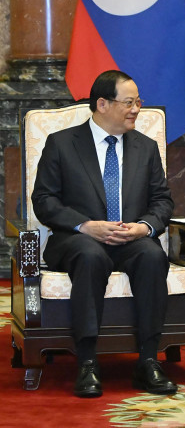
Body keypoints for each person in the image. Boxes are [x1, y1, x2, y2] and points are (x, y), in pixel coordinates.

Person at [32, 70, 177, 398]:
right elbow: (44, 200)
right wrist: (86, 226)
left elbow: (162, 200)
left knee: (153, 254)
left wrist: (144, 227)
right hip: (76, 239)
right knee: (90, 253)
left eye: (138, 102)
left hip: (130, 238)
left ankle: (149, 361)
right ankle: (86, 362)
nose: (137, 109)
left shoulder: (146, 147)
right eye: (129, 102)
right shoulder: (63, 144)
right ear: (101, 104)